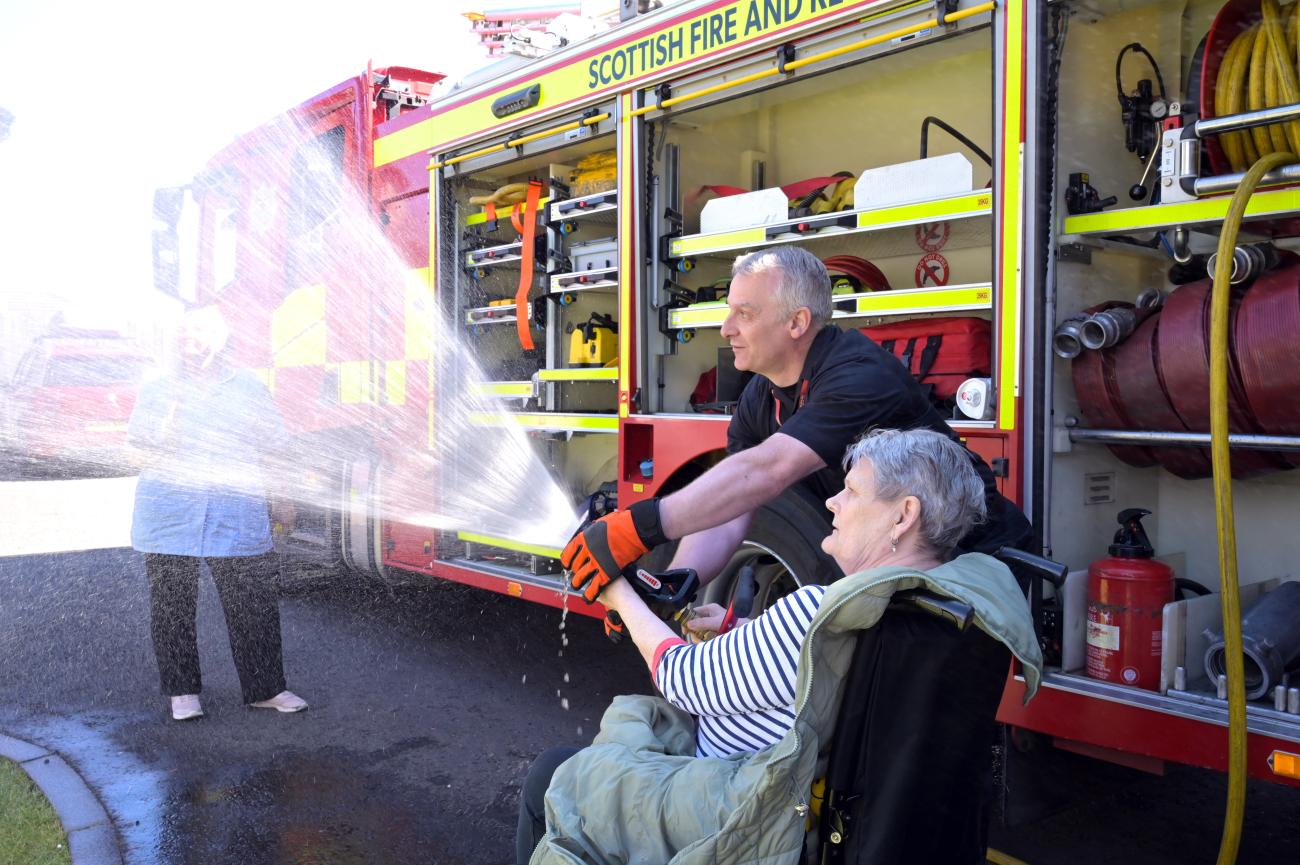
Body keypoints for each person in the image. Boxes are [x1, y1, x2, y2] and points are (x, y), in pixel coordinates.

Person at [519, 428, 1043, 865]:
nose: (833, 502)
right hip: (806, 804)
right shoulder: (922, 604)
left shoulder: (819, 608)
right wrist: (733, 629)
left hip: (745, 805)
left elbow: (685, 680)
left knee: (553, 777)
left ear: (903, 516)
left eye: (852, 493)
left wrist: (620, 594)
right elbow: (810, 676)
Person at [561, 245, 1031, 606]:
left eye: (744, 314)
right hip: (899, 573)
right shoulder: (760, 394)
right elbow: (738, 500)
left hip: (972, 565)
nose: (726, 329)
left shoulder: (859, 375)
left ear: (796, 322)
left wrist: (639, 527)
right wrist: (678, 580)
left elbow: (768, 471)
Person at [128, 305, 307, 721]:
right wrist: (163, 431)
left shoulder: (247, 386)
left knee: (253, 604)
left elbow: (274, 445)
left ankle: (266, 689)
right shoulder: (157, 388)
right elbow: (137, 446)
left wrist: (282, 496)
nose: (192, 338)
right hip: (171, 515)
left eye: (202, 330)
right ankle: (182, 691)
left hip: (235, 513)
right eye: (185, 330)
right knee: (172, 607)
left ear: (222, 338)